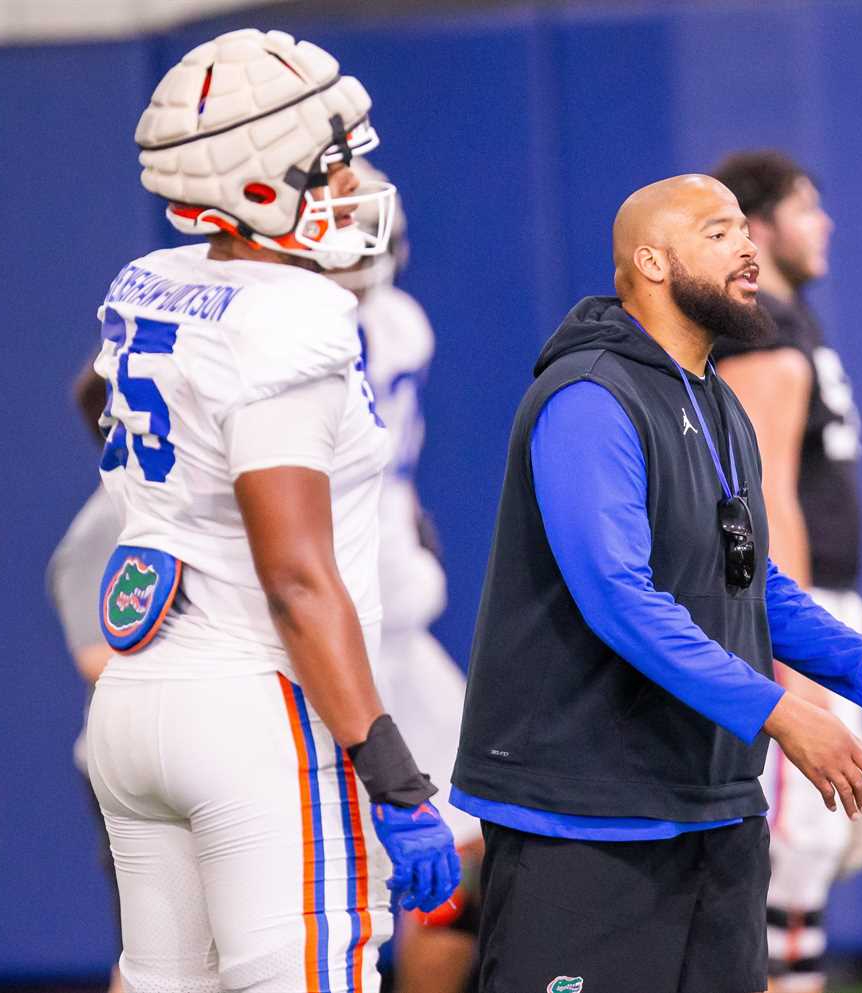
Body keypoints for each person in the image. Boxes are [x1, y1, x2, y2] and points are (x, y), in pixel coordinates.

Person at [450, 173, 862, 993]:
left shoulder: (718, 403)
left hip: (713, 812)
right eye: (717, 232)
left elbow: (751, 583)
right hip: (586, 819)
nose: (747, 247)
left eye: (747, 228)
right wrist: (783, 712)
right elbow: (619, 598)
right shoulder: (588, 395)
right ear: (652, 261)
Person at [84, 29, 459, 992]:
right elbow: (295, 576)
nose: (349, 187)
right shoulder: (293, 316)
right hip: (258, 704)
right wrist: (393, 774)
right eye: (329, 167)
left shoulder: (150, 285)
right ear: (258, 185)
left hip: (137, 701)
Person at [710, 150, 862, 993]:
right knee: (793, 842)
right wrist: (793, 644)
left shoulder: (795, 320)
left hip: (821, 606)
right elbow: (761, 489)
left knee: (811, 845)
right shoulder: (762, 330)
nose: (825, 225)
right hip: (791, 609)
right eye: (805, 207)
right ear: (760, 225)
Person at [330, 160, 483, 993]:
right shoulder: (304, 326)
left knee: (470, 836)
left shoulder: (394, 323)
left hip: (387, 612)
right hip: (315, 626)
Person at [45, 366, 125, 993]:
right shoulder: (97, 530)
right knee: (154, 952)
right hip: (121, 766)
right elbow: (92, 654)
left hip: (173, 746)